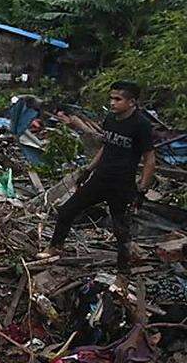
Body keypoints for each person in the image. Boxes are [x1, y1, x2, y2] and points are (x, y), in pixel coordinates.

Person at [39, 81, 157, 274]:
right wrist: (88, 169)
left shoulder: (141, 125)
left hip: (122, 184)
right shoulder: (111, 119)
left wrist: (142, 189)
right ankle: (54, 247)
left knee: (121, 230)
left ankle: (123, 272)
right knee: (67, 210)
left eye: (118, 99)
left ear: (132, 102)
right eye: (111, 98)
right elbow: (106, 147)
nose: (112, 103)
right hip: (100, 178)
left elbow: (150, 159)